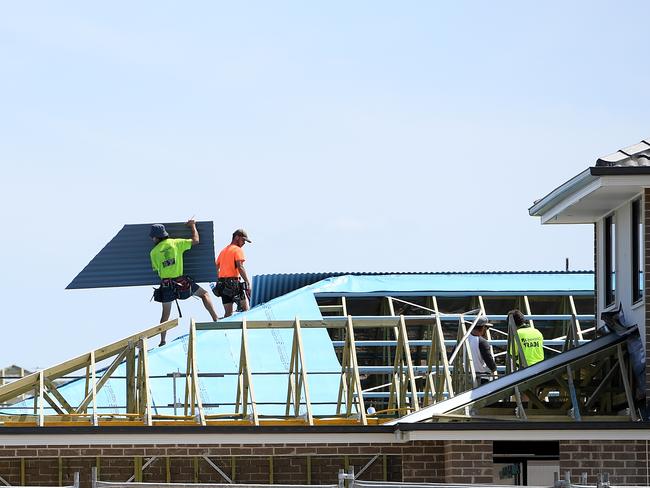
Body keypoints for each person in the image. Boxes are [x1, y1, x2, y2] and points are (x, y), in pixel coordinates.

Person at [150, 220, 218, 346]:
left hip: (166, 285)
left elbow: (157, 270)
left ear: (155, 237)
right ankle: (215, 319)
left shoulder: (153, 253)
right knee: (204, 295)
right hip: (181, 283)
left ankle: (162, 340)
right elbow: (196, 240)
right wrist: (192, 225)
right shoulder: (176, 243)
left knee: (165, 315)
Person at [214, 229, 253, 317]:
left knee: (228, 313)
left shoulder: (223, 251)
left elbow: (215, 268)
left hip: (222, 285)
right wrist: (247, 283)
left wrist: (219, 280)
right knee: (245, 311)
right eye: (243, 240)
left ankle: (224, 330)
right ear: (237, 237)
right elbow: (240, 267)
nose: (244, 243)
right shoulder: (237, 250)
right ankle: (244, 330)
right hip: (234, 284)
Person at [468, 317, 497, 384]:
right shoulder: (482, 342)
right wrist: (494, 368)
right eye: (487, 328)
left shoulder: (464, 339)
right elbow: (489, 361)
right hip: (482, 377)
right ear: (483, 327)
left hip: (467, 375)